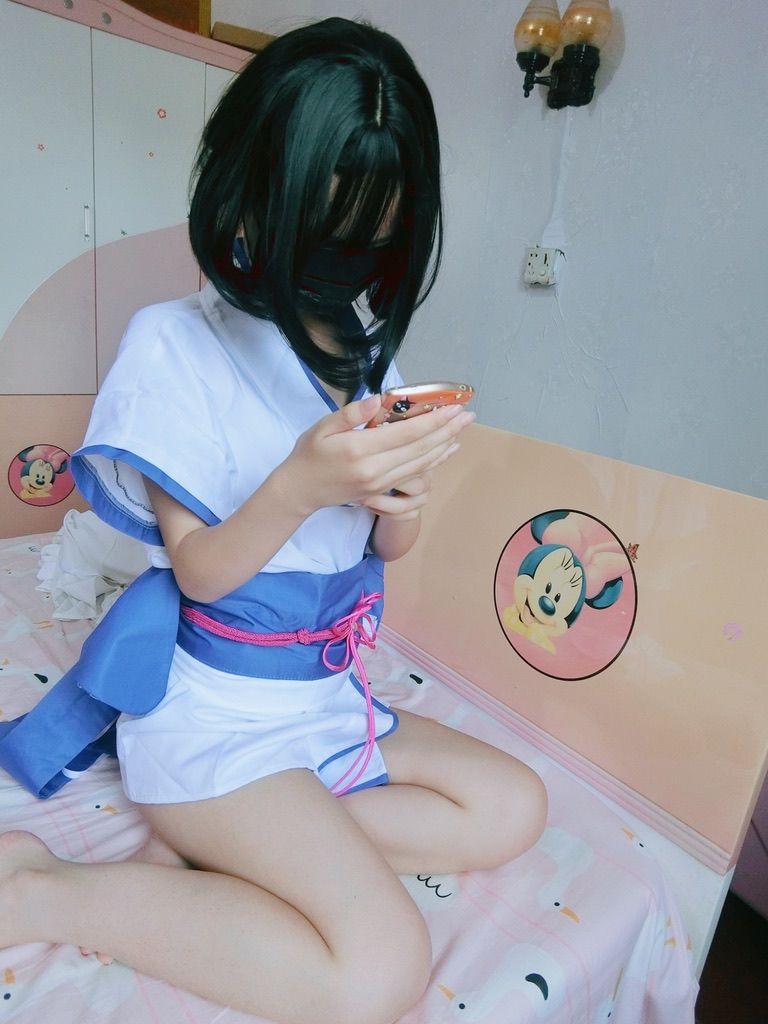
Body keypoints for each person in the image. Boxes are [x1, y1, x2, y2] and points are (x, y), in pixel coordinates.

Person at [0, 18, 547, 1024]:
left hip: (325, 699)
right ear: (250, 185)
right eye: (327, 232)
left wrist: (401, 500)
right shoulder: (173, 344)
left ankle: (245, 849)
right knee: (379, 969)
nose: (346, 264)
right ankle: (41, 889)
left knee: (515, 806)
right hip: (218, 719)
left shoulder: (359, 348)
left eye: (372, 238)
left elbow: (383, 549)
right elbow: (200, 572)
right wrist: (303, 480)